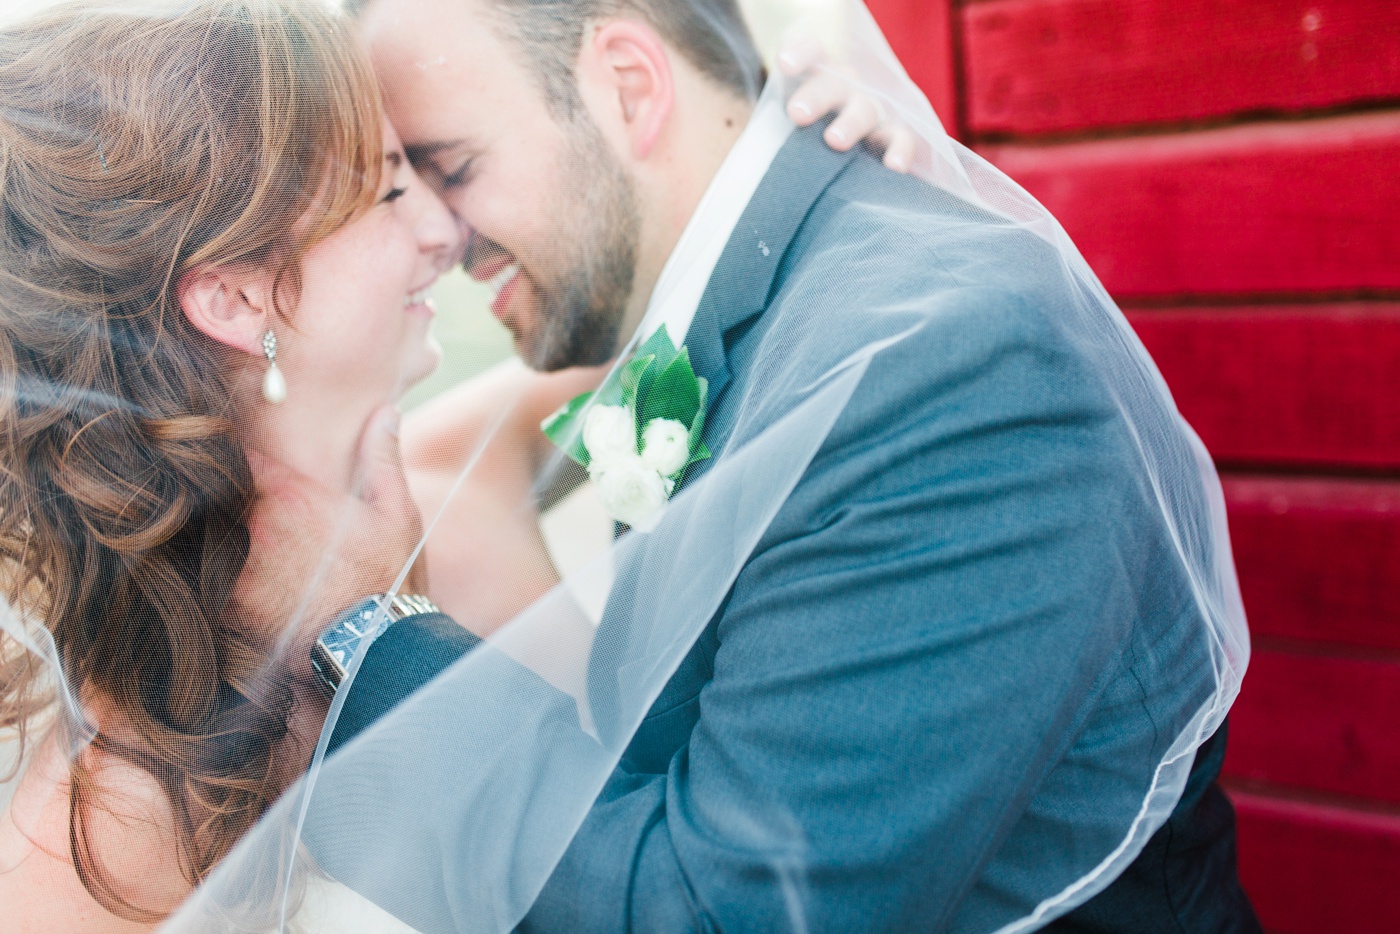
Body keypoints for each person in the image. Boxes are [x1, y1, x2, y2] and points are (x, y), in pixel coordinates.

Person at [279, 0, 1264, 931]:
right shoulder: (736, 308)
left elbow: (724, 913)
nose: (438, 237)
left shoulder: (941, 371)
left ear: (628, 83)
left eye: (451, 167)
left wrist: (366, 627)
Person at [0, 1, 893, 929]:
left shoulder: (456, 482)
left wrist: (806, 169)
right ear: (232, 295)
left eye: (442, 172)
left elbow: (697, 289)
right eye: (394, 188)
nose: (447, 227)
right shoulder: (112, 823)